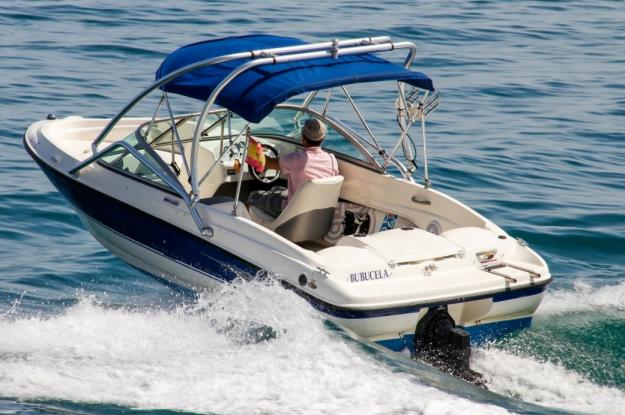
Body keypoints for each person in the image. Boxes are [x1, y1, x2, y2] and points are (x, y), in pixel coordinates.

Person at [248, 118, 339, 217]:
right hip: (315, 212)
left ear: (303, 138)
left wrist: (253, 151)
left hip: (290, 211)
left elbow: (267, 163)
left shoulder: (296, 159)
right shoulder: (331, 159)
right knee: (276, 189)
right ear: (323, 139)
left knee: (254, 195)